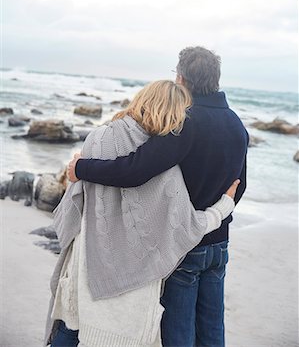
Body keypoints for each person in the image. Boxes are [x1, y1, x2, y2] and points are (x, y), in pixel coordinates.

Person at [67, 47, 249, 347]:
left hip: (185, 244)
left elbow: (135, 169)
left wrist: (82, 167)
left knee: (177, 332)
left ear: (180, 79)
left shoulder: (185, 122)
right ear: (216, 80)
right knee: (213, 327)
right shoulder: (236, 124)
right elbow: (239, 186)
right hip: (220, 242)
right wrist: (219, 214)